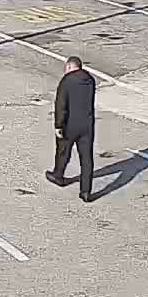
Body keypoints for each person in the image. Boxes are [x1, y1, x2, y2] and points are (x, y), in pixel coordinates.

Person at [46, 56, 97, 202]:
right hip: (87, 124)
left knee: (63, 151)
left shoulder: (67, 81)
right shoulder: (90, 80)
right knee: (86, 158)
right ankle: (86, 191)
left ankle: (58, 175)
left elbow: (61, 105)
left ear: (69, 67)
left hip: (70, 124)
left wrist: (58, 125)